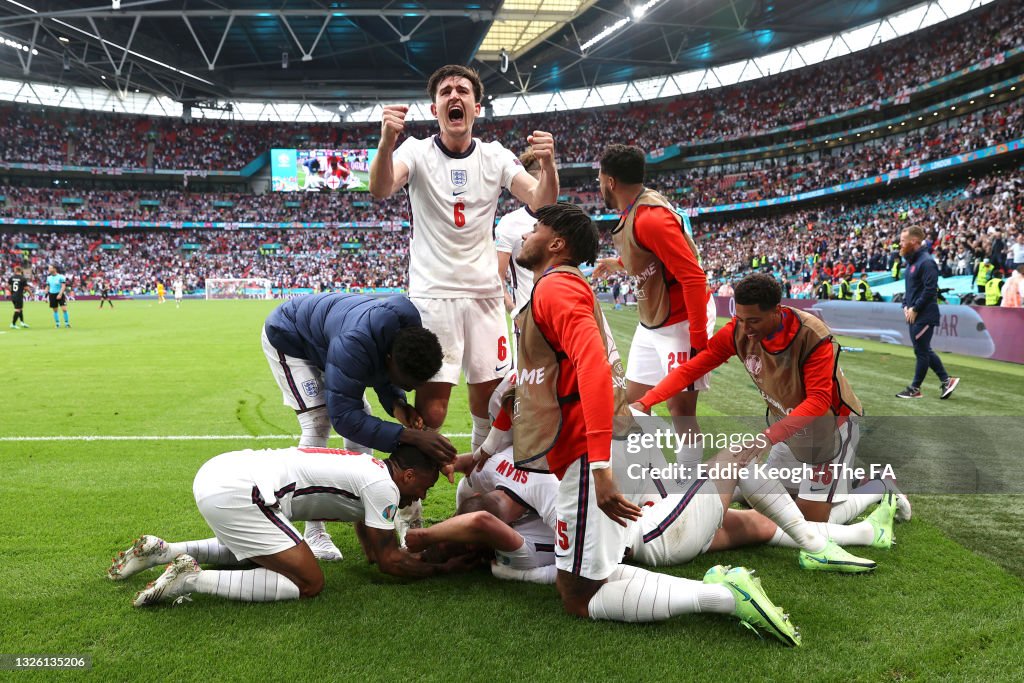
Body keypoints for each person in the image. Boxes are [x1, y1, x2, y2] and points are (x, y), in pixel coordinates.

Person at [507, 202, 800, 646]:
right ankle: (726, 589)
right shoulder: (560, 287)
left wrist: (601, 466)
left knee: (579, 595)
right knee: (591, 573)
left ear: (556, 243)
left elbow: (593, 371)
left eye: (533, 229)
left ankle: (724, 596)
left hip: (590, 451)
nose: (524, 237)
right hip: (594, 448)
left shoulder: (555, 289)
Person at [368, 64, 558, 460]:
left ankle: (478, 488)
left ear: (476, 105)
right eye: (446, 91)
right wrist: (386, 143)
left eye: (463, 91)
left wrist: (550, 165)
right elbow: (381, 188)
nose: (455, 96)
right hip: (434, 296)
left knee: (487, 407)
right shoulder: (415, 151)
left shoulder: (495, 156)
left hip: (485, 296)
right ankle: (410, 498)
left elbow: (542, 202)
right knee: (432, 411)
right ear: (434, 106)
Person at [631, 273, 883, 525]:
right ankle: (845, 481)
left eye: (753, 320)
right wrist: (646, 401)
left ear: (777, 311)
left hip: (830, 429)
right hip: (790, 427)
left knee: (809, 524)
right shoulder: (737, 331)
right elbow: (691, 369)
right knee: (762, 501)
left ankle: (878, 487)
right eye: (740, 319)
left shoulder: (812, 335)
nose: (746, 328)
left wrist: (768, 437)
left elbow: (818, 401)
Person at [109, 445, 470, 606]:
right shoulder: (383, 487)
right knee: (310, 582)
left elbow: (374, 544)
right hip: (240, 490)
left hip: (223, 472)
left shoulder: (371, 470)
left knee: (264, 554)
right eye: (424, 486)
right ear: (408, 475)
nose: (421, 495)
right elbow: (390, 560)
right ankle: (191, 578)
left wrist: (377, 554)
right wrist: (440, 569)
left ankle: (165, 552)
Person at [262, 292, 456, 560]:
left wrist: (397, 403)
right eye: (406, 383)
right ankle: (313, 531)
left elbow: (381, 366)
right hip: (290, 335)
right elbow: (344, 417)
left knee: (362, 412)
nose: (410, 389)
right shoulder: (353, 345)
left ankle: (367, 503)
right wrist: (408, 437)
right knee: (318, 421)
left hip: (335, 336)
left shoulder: (408, 330)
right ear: (390, 359)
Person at [590, 145, 716, 466]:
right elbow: (649, 257)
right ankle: (654, 471)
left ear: (611, 181)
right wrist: (617, 263)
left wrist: (698, 344)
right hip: (653, 322)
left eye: (599, 178)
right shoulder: (635, 211)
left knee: (681, 411)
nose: (598, 183)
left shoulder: (651, 219)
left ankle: (688, 487)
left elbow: (693, 277)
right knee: (633, 404)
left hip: (683, 322)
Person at [896, 227, 960, 400]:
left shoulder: (926, 262)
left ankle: (915, 388)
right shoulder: (911, 262)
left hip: (924, 314)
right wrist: (905, 305)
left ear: (914, 241)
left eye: (903, 240)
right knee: (923, 349)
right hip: (913, 313)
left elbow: (931, 290)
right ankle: (947, 380)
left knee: (922, 352)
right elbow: (910, 290)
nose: (900, 244)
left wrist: (915, 308)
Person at [495, 148, 543, 360]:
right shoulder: (510, 223)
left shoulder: (563, 217)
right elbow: (497, 277)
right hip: (528, 322)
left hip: (563, 318)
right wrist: (515, 312)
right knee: (528, 390)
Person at [45, 264, 70, 329]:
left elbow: (63, 286)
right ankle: (57, 324)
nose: (49, 269)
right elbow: (47, 287)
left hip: (60, 294)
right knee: (55, 310)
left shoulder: (61, 277)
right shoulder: (48, 278)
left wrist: (60, 294)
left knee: (64, 309)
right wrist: (45, 296)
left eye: (50, 268)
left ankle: (67, 324)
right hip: (52, 295)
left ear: (54, 269)